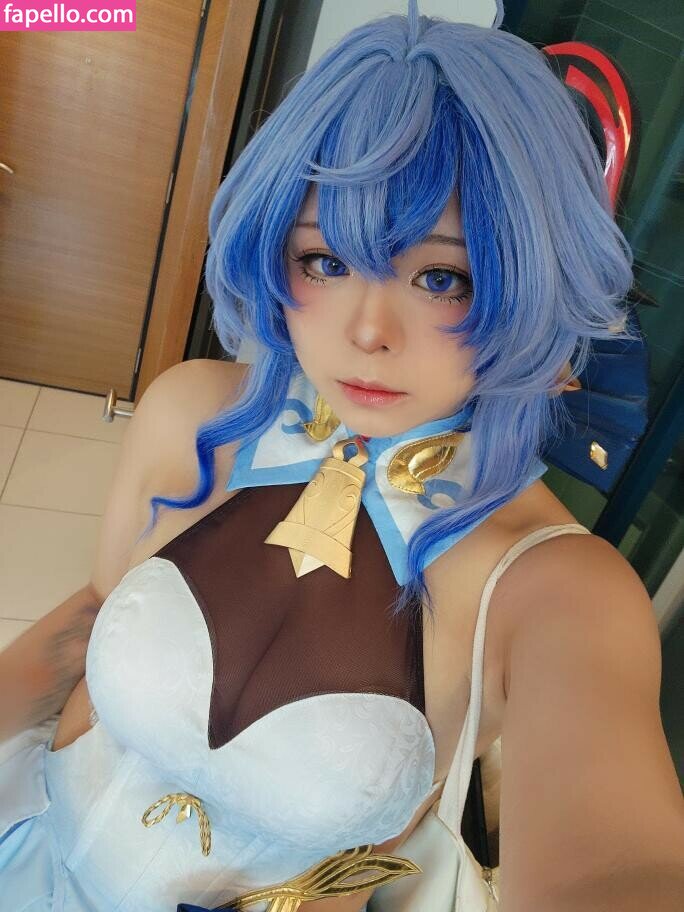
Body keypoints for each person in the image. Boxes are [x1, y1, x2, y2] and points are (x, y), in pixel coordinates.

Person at [2, 2, 682, 911]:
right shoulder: (191, 412)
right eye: (325, 260)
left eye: (443, 277)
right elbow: (92, 610)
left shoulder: (554, 587)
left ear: (531, 286)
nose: (367, 331)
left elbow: (618, 869)